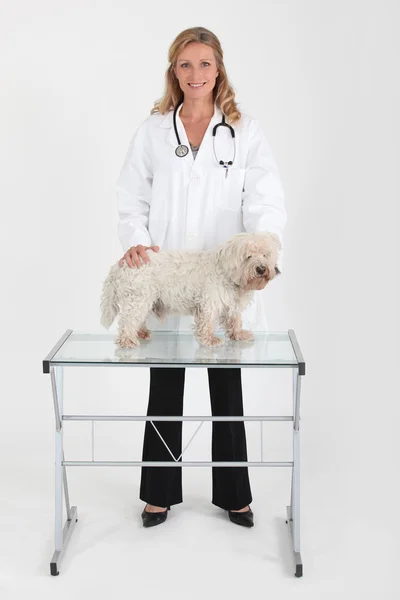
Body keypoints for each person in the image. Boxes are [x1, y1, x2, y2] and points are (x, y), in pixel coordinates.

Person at [116, 27, 287, 528]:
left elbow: (266, 199)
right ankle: (159, 492)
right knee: (165, 385)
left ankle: (235, 492)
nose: (196, 74)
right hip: (170, 275)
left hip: (222, 279)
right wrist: (135, 238)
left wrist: (264, 250)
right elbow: (131, 196)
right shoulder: (152, 131)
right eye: (186, 65)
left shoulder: (244, 131)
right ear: (174, 71)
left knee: (226, 386)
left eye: (205, 64)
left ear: (219, 70)